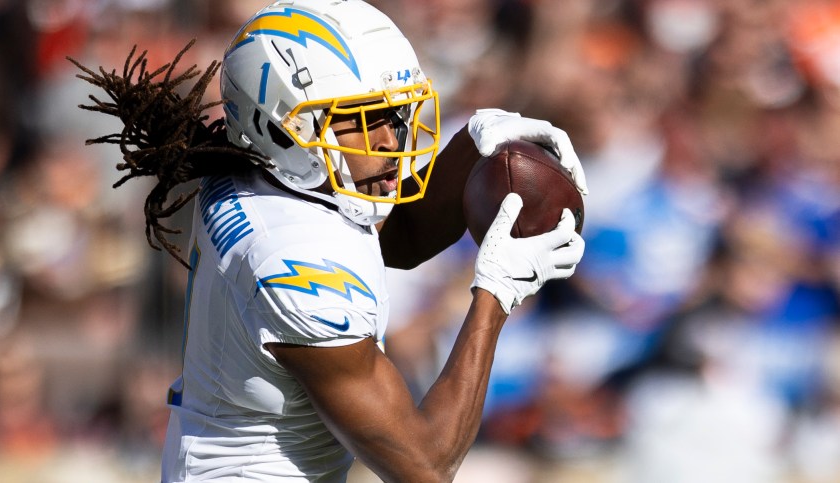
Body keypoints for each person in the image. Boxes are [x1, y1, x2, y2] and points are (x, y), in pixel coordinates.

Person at [70, 0, 587, 481]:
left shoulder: (272, 173)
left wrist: (473, 145)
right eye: (363, 119)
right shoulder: (288, 256)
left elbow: (394, 241)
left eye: (394, 112)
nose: (390, 139)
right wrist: (496, 293)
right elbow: (425, 464)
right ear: (282, 128)